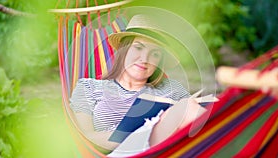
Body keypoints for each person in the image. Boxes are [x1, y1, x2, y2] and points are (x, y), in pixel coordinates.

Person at [69, 14, 206, 154]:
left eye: (155, 54)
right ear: (124, 49)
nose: (145, 59)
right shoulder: (89, 88)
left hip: (170, 151)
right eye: (138, 48)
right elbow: (86, 138)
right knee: (185, 107)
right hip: (122, 154)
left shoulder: (172, 88)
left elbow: (198, 118)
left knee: (193, 108)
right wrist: (138, 133)